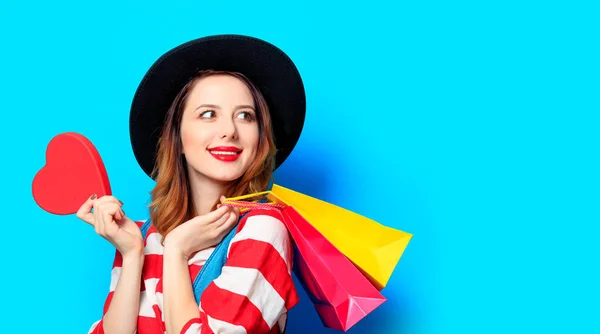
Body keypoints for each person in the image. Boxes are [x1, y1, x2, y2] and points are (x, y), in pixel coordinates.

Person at [77, 34, 307, 334]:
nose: (229, 130)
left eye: (245, 116)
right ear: (178, 138)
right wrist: (133, 254)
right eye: (208, 114)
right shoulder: (143, 235)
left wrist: (176, 252)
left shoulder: (263, 229)